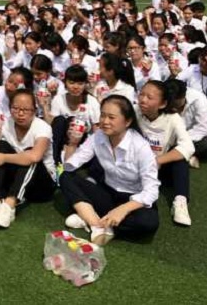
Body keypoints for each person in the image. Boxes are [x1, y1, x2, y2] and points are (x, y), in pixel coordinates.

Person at [59, 95, 160, 245]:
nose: (105, 121)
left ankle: (87, 215)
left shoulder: (141, 147)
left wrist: (123, 209)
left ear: (127, 121)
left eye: (111, 117)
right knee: (65, 177)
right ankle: (96, 224)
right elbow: (71, 165)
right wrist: (72, 144)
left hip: (133, 199)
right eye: (102, 115)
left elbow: (152, 191)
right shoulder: (98, 136)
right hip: (107, 193)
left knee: (148, 223)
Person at [0, 89, 55, 229]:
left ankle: (9, 206)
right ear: (10, 109)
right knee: (1, 145)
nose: (20, 113)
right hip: (16, 180)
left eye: (26, 110)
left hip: (42, 184)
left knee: (29, 155)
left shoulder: (43, 128)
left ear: (34, 111)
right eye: (16, 108)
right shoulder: (5, 124)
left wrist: (4, 158)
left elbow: (35, 156)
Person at [136, 81, 194, 226]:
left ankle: (180, 202)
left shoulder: (173, 119)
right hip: (136, 166)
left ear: (162, 104)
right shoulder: (135, 111)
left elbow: (188, 146)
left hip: (160, 167)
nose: (143, 100)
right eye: (141, 94)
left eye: (149, 97)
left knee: (180, 160)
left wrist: (157, 161)